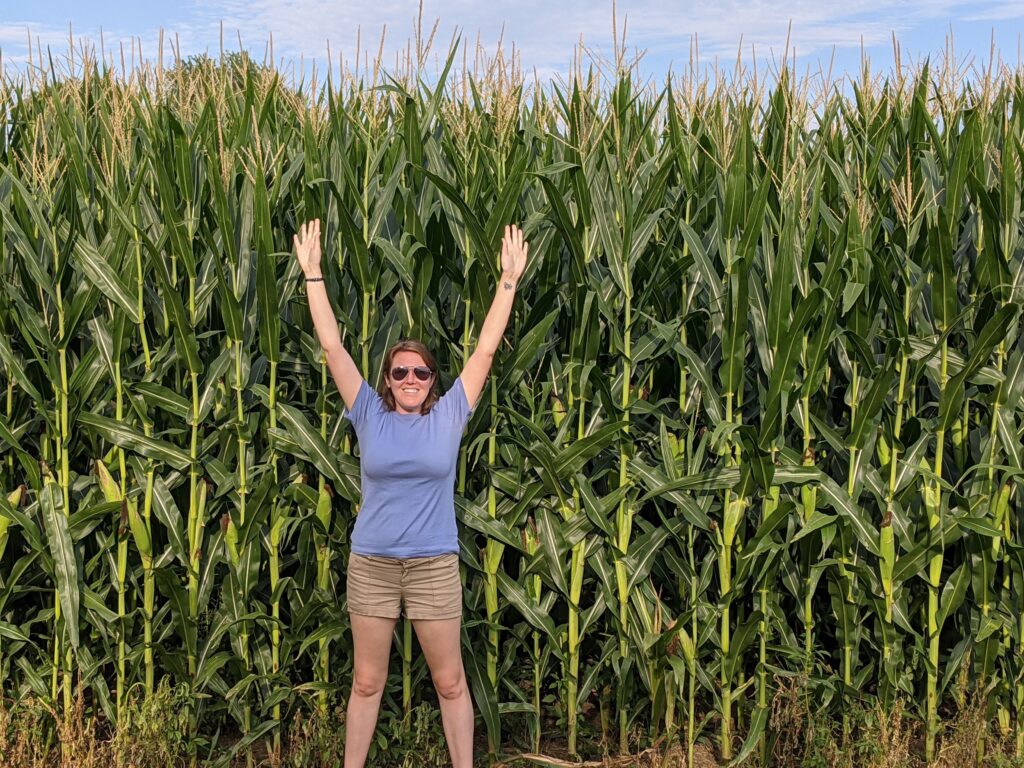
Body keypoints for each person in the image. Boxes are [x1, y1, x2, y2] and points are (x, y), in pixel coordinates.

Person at [293, 219, 529, 768]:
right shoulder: (368, 413)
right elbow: (331, 347)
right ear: (387, 377)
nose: (410, 378)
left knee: (450, 683)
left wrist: (508, 282)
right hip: (372, 564)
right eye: (400, 370)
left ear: (432, 379)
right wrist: (313, 275)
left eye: (420, 371)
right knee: (367, 683)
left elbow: (487, 351)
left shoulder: (448, 416)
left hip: (432, 567)